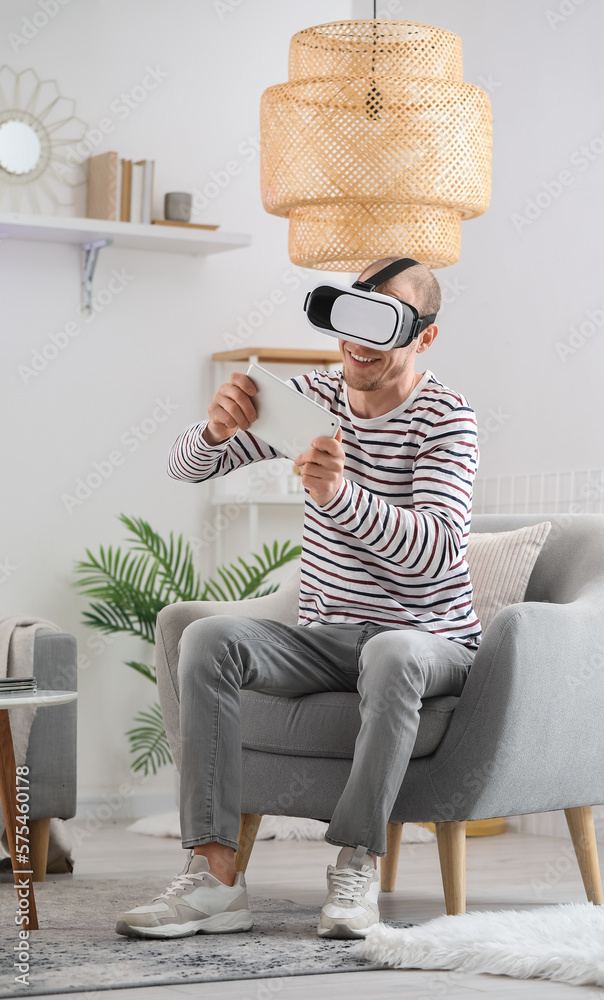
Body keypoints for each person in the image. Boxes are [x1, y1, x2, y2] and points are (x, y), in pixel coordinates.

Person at [115, 256, 481, 941]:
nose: (359, 341)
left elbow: (433, 555)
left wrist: (339, 498)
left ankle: (356, 864)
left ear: (424, 337)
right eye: (352, 317)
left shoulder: (447, 419)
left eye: (384, 324)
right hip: (324, 636)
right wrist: (214, 433)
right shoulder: (313, 397)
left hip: (427, 639)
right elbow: (182, 468)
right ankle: (215, 877)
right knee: (207, 638)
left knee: (394, 653)